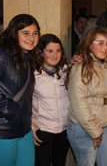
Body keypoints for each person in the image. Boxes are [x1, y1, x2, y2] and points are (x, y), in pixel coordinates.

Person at [0, 12, 40, 166]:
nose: (31, 38)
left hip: (24, 130)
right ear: (14, 33)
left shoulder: (27, 58)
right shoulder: (1, 56)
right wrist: (9, 107)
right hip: (2, 130)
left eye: (35, 33)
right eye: (25, 33)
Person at [66, 26, 107, 166]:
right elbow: (79, 104)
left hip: (105, 126)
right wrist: (95, 131)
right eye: (100, 43)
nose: (105, 47)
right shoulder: (79, 68)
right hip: (83, 127)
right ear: (89, 45)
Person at [32, 34, 69, 166]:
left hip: (64, 131)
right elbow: (25, 104)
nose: (54, 55)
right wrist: (31, 126)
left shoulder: (65, 72)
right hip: (43, 131)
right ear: (41, 53)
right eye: (50, 51)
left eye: (58, 51)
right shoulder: (33, 75)